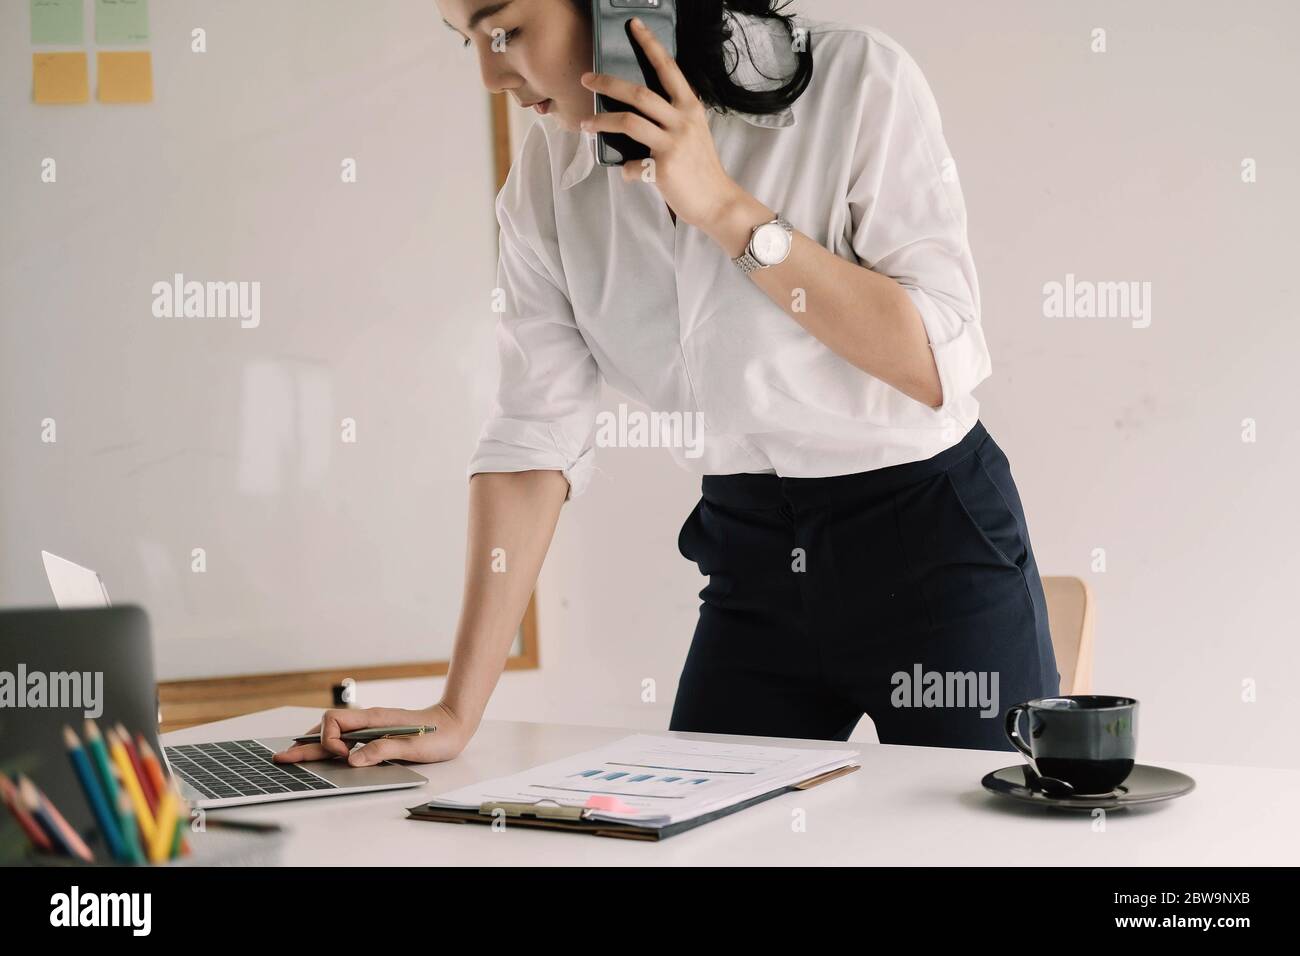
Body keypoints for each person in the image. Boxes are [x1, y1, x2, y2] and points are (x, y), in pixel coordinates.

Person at [274, 0, 1059, 770]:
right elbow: (533, 435)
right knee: (696, 840)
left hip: (930, 546)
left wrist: (722, 206)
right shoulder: (547, 181)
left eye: (504, 28)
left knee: (979, 836)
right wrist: (456, 709)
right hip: (752, 557)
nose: (488, 73)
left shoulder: (855, 81)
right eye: (464, 42)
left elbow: (934, 362)